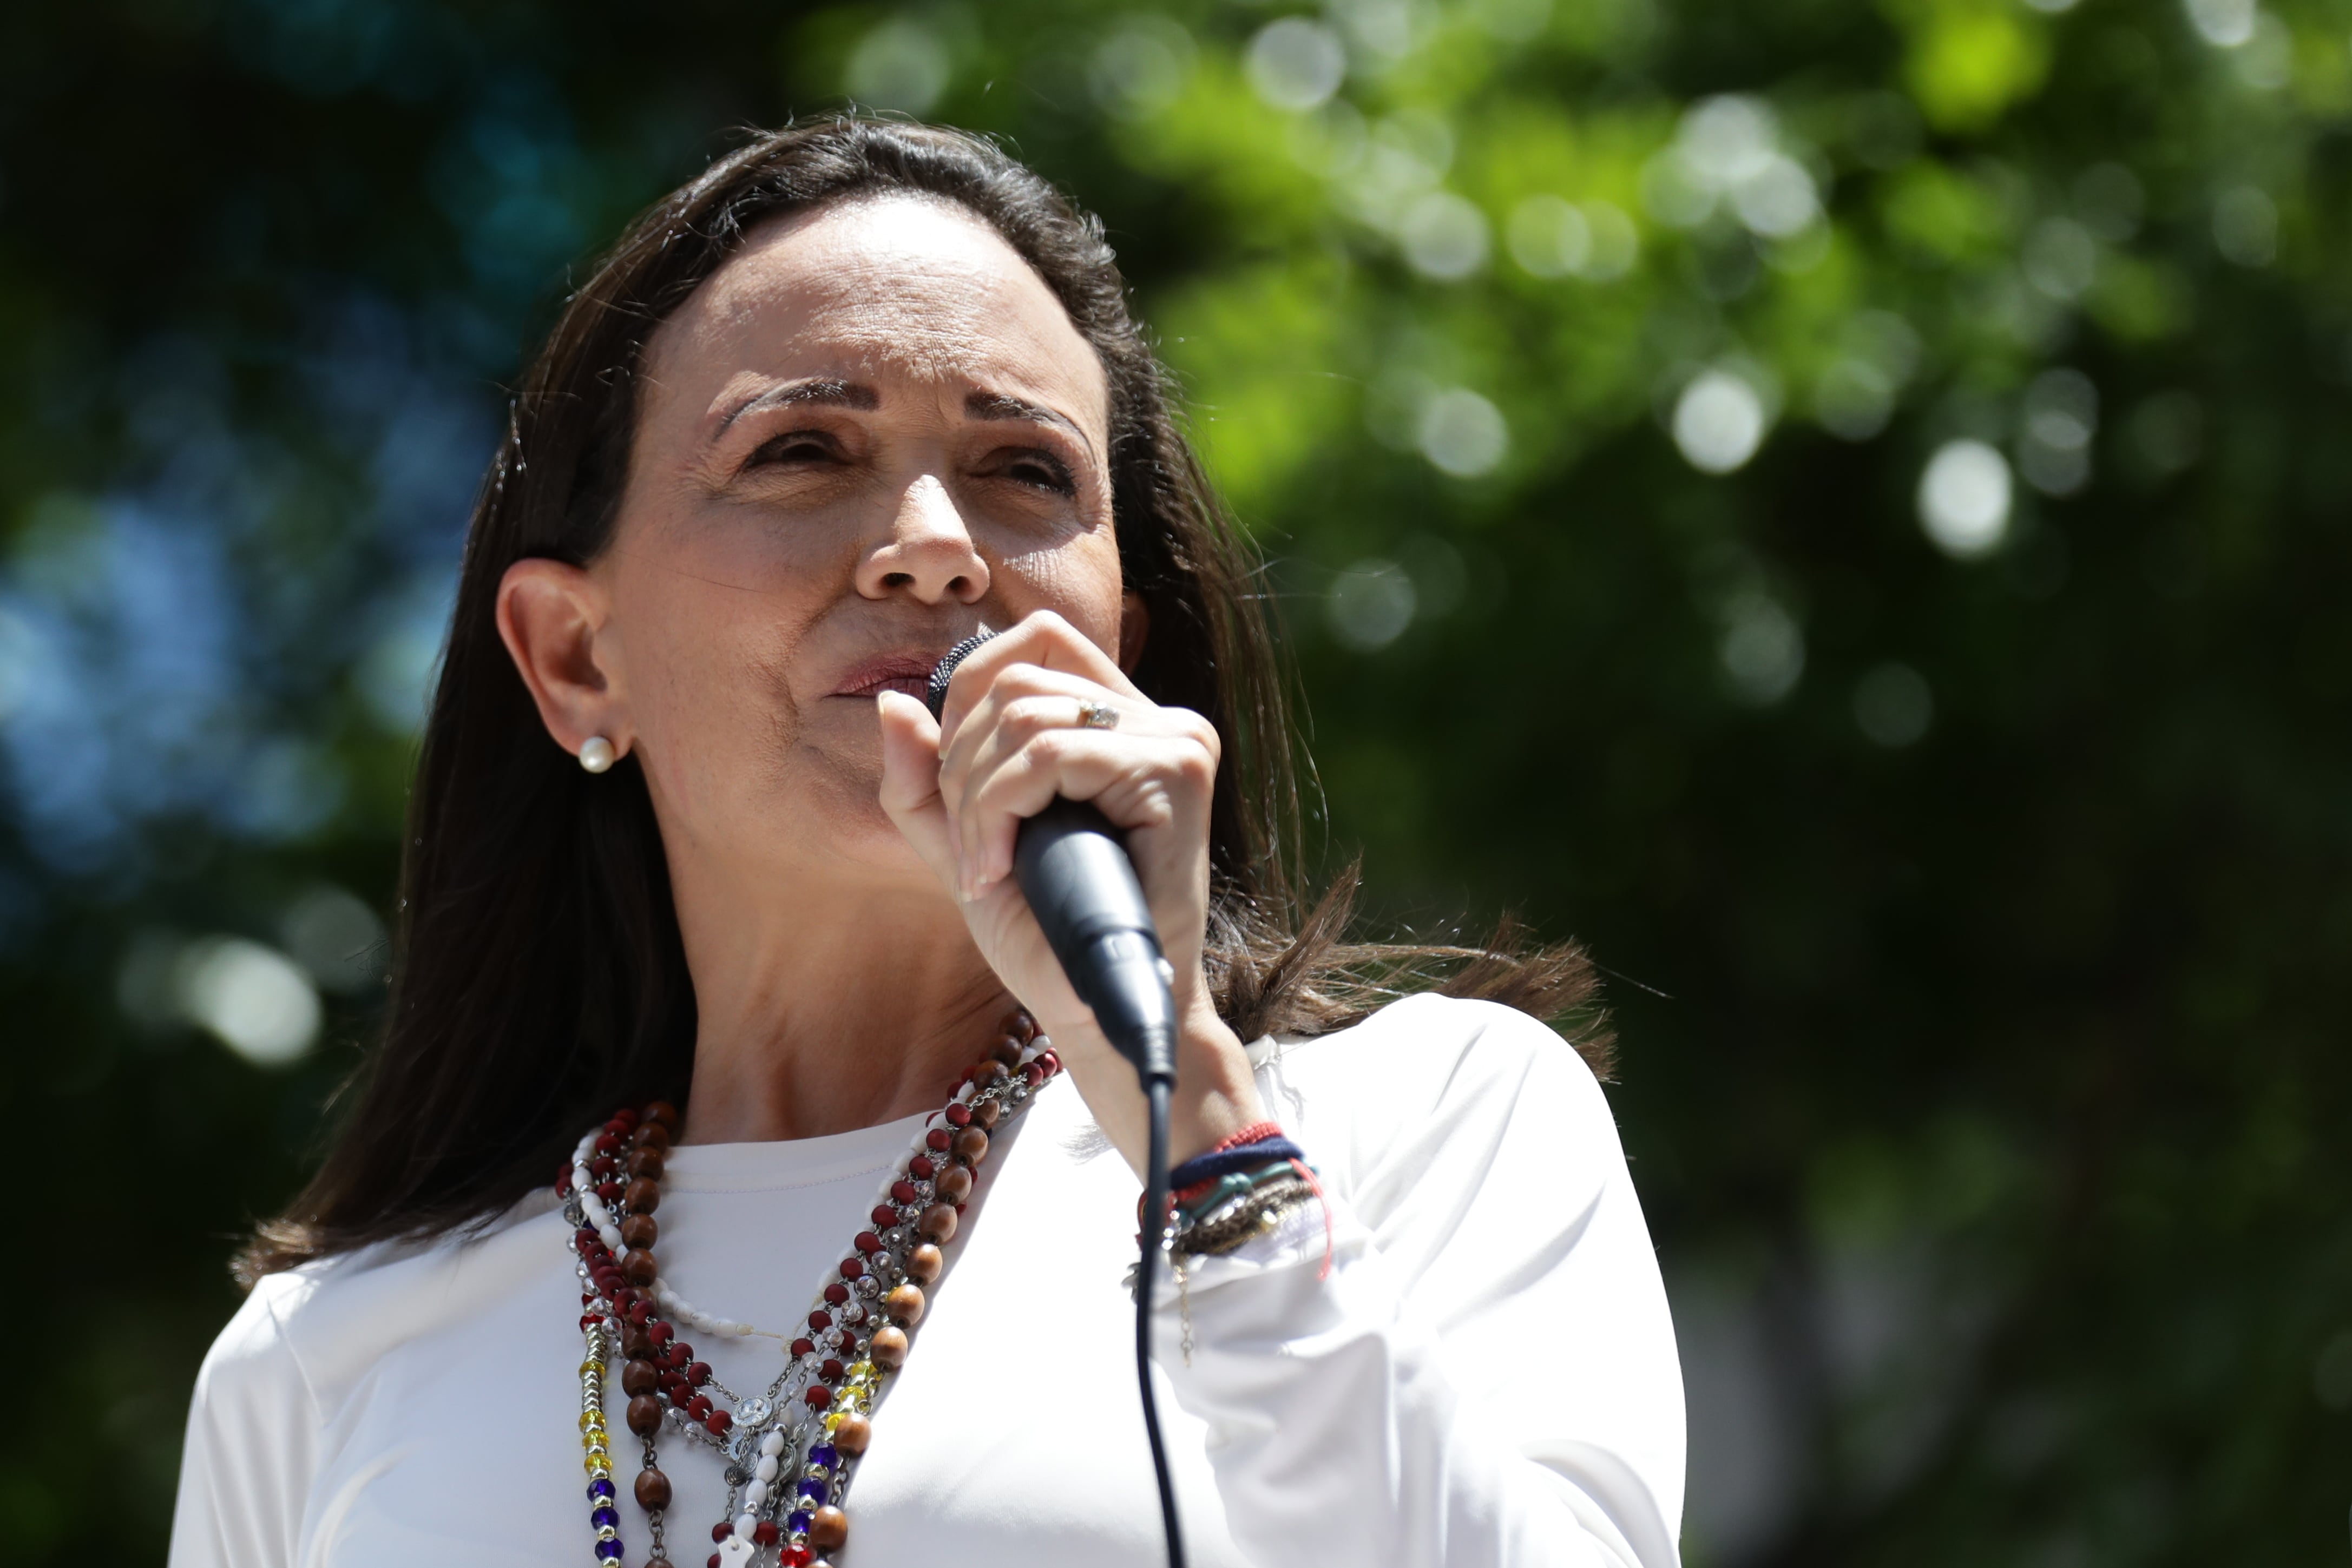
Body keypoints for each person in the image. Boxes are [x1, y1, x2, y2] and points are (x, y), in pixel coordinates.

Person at [167, 119, 1685, 1568]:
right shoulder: (321, 1359)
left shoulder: (1423, 1126)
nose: (935, 544)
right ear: (575, 658)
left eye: (1024, 471)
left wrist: (1191, 1109)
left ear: (1120, 650)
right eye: (800, 450)